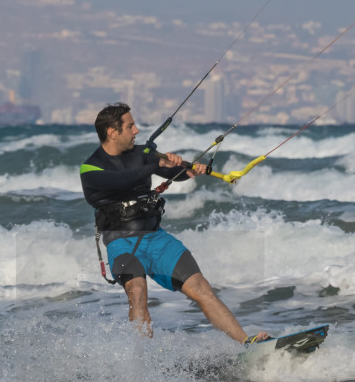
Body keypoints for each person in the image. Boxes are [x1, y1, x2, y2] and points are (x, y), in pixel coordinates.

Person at [80, 102, 269, 345]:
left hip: (156, 238)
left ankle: (248, 343)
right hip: (121, 243)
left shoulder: (143, 155)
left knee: (201, 286)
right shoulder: (90, 167)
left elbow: (174, 173)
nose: (136, 131)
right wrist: (157, 164)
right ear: (112, 132)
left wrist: (188, 168)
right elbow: (120, 181)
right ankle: (140, 363)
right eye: (130, 126)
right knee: (137, 292)